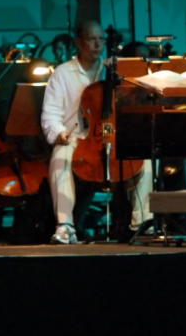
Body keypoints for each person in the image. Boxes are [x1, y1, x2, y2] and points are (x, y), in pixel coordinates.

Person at [41, 20, 152, 243]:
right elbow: (50, 113)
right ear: (79, 42)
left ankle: (142, 221)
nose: (97, 44)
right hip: (77, 137)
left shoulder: (112, 69)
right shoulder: (62, 73)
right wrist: (60, 132)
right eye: (92, 39)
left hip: (113, 135)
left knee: (145, 160)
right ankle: (65, 226)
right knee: (60, 157)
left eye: (101, 39)